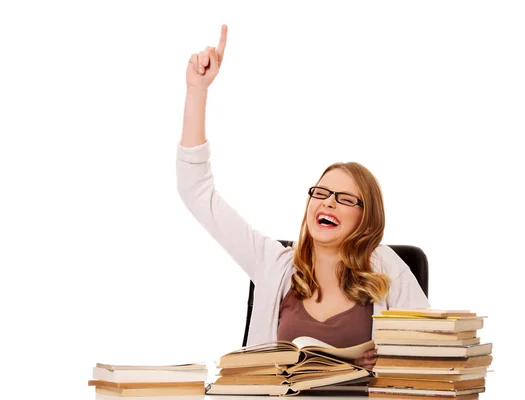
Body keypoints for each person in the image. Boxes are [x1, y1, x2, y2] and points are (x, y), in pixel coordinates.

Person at [176, 24, 430, 370]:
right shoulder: (273, 265)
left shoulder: (387, 269)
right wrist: (197, 91)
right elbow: (196, 191)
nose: (327, 202)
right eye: (321, 193)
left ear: (366, 218)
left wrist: (389, 364)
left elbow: (433, 360)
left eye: (344, 198)